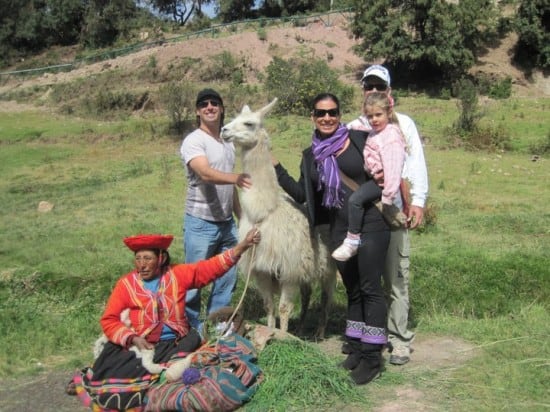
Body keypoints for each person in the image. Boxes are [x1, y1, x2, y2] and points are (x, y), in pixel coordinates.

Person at [69, 227, 261, 411]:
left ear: (160, 258)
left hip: (177, 342)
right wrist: (132, 338)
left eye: (147, 258)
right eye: (138, 259)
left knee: (192, 366)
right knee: (119, 377)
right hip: (142, 344)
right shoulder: (126, 285)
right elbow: (109, 320)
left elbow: (209, 268)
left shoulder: (176, 275)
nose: (142, 264)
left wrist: (242, 246)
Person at [273, 93, 390, 385]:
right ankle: (356, 349)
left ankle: (372, 359)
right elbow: (303, 194)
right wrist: (275, 167)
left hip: (371, 223)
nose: (327, 117)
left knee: (370, 288)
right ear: (312, 116)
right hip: (338, 229)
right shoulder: (310, 155)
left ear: (339, 114)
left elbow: (383, 176)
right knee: (352, 289)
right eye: (321, 113)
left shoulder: (359, 140)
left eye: (332, 112)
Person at [348, 64, 429, 365]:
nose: (373, 91)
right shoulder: (354, 125)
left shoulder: (403, 124)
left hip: (393, 211)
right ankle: (372, 334)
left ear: (389, 92)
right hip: (368, 214)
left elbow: (415, 164)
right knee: (368, 278)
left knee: (396, 278)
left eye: (379, 86)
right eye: (368, 86)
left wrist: (417, 201)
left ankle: (399, 339)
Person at [180, 88, 252, 334]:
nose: (209, 107)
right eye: (203, 104)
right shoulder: (194, 140)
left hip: (226, 223)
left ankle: (215, 326)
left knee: (227, 278)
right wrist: (236, 177)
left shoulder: (227, 143)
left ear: (221, 109)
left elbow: (229, 187)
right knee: (193, 281)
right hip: (200, 223)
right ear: (198, 111)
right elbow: (205, 173)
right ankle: (188, 330)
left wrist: (241, 216)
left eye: (214, 103)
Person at [332, 91, 407, 261]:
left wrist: (387, 198)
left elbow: (393, 169)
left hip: (383, 182)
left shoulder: (391, 137)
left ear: (389, 112)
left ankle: (352, 240)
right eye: (370, 116)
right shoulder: (377, 131)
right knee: (356, 199)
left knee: (355, 200)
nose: (374, 120)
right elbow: (359, 127)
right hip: (376, 178)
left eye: (378, 115)